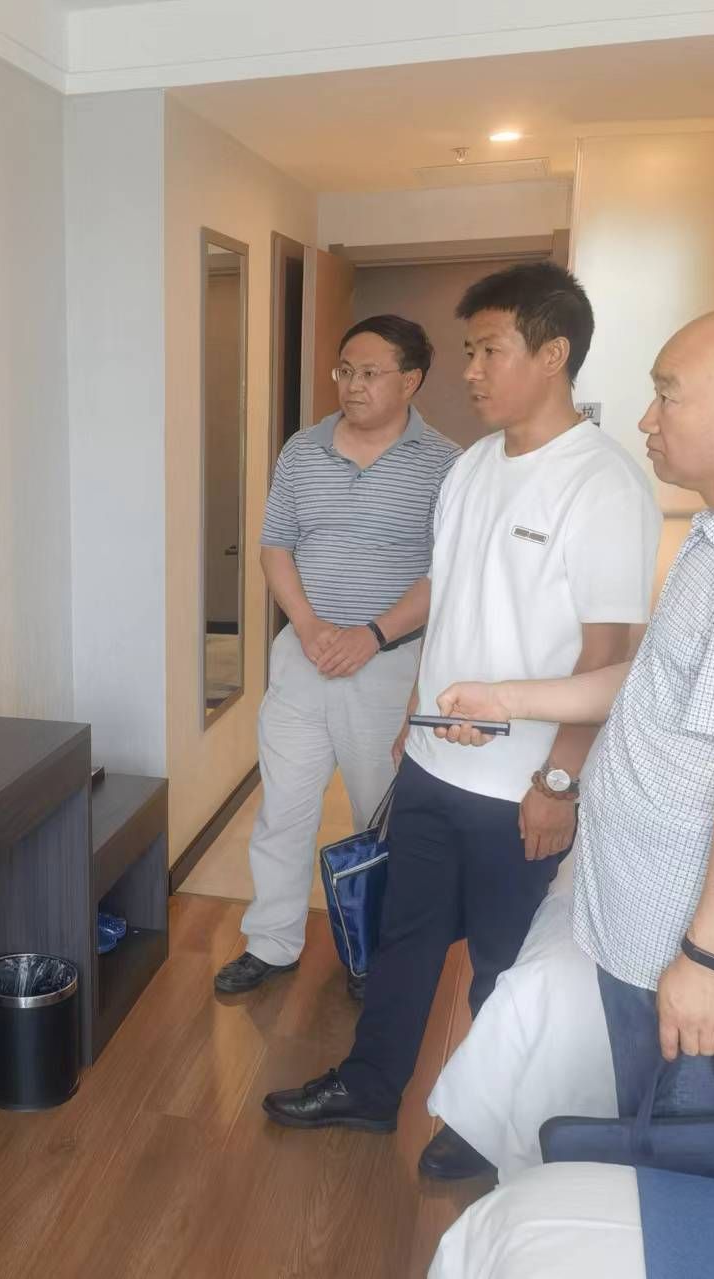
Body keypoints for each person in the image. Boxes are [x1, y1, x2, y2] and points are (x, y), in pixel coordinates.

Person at [432, 304, 714, 1124]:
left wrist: (707, 959)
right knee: (641, 1135)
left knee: (681, 1154)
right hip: (646, 921)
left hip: (697, 957)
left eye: (667, 394)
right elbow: (650, 682)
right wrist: (506, 698)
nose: (646, 418)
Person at [262, 262, 660, 1183]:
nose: (471, 370)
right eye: (469, 350)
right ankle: (371, 1087)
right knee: (404, 938)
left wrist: (559, 781)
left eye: (489, 350)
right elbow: (452, 603)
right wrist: (413, 715)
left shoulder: (602, 484)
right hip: (434, 765)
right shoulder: (474, 467)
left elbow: (610, 656)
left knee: (499, 963)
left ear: (552, 354)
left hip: (522, 785)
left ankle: (487, 1123)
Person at [213, 316, 459, 997]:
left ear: (410, 380)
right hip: (304, 656)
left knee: (381, 816)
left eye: (370, 373)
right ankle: (271, 943)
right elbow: (275, 545)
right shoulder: (302, 449)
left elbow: (446, 574)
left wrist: (371, 634)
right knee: (283, 808)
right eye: (344, 370)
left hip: (389, 666)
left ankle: (373, 950)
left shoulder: (447, 464)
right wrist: (309, 624)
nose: (352, 384)